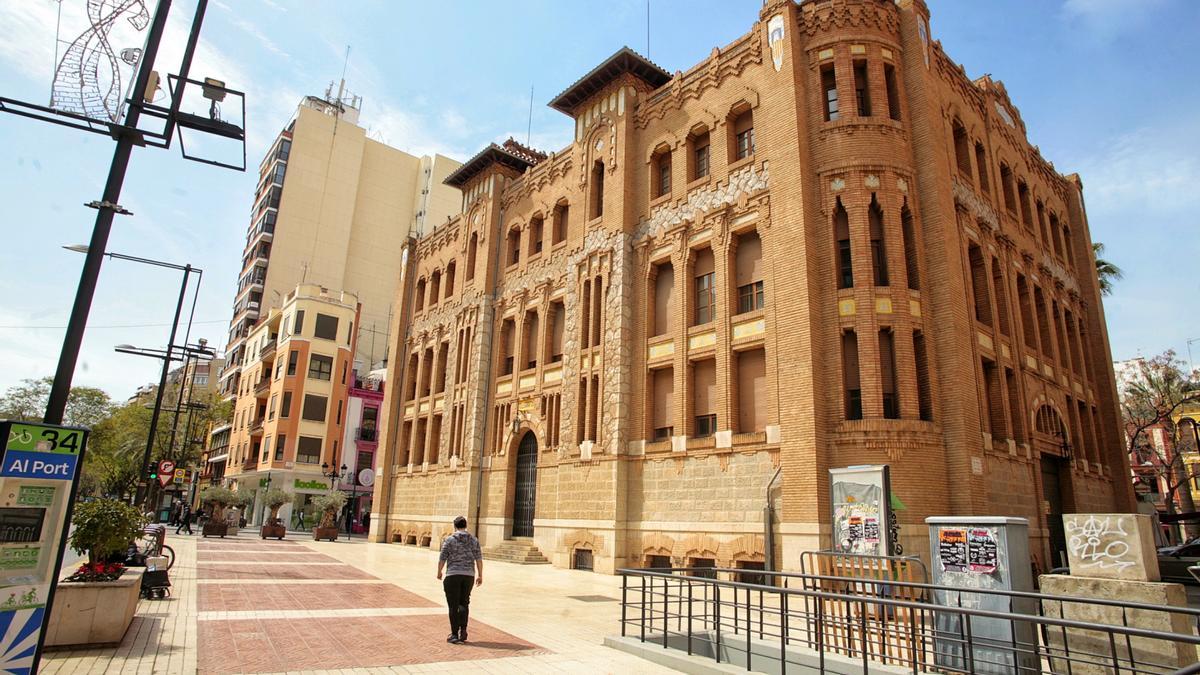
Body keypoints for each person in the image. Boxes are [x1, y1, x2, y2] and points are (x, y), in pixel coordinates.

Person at [436, 515, 483, 644]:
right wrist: (480, 575)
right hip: (469, 575)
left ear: (455, 526)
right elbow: (478, 558)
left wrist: (439, 571)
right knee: (464, 603)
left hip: (453, 575)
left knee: (453, 605)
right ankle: (463, 630)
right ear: (465, 525)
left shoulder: (449, 540)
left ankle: (454, 634)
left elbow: (443, 557)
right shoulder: (474, 540)